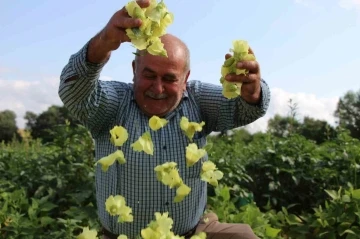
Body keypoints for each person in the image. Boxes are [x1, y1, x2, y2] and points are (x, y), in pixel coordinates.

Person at [58, 0, 270, 238]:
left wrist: (252, 93)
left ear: (185, 78)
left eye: (169, 79)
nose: (157, 89)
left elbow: (246, 109)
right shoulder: (114, 104)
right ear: (133, 70)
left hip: (191, 232)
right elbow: (73, 92)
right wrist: (103, 44)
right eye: (149, 75)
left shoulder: (198, 99)